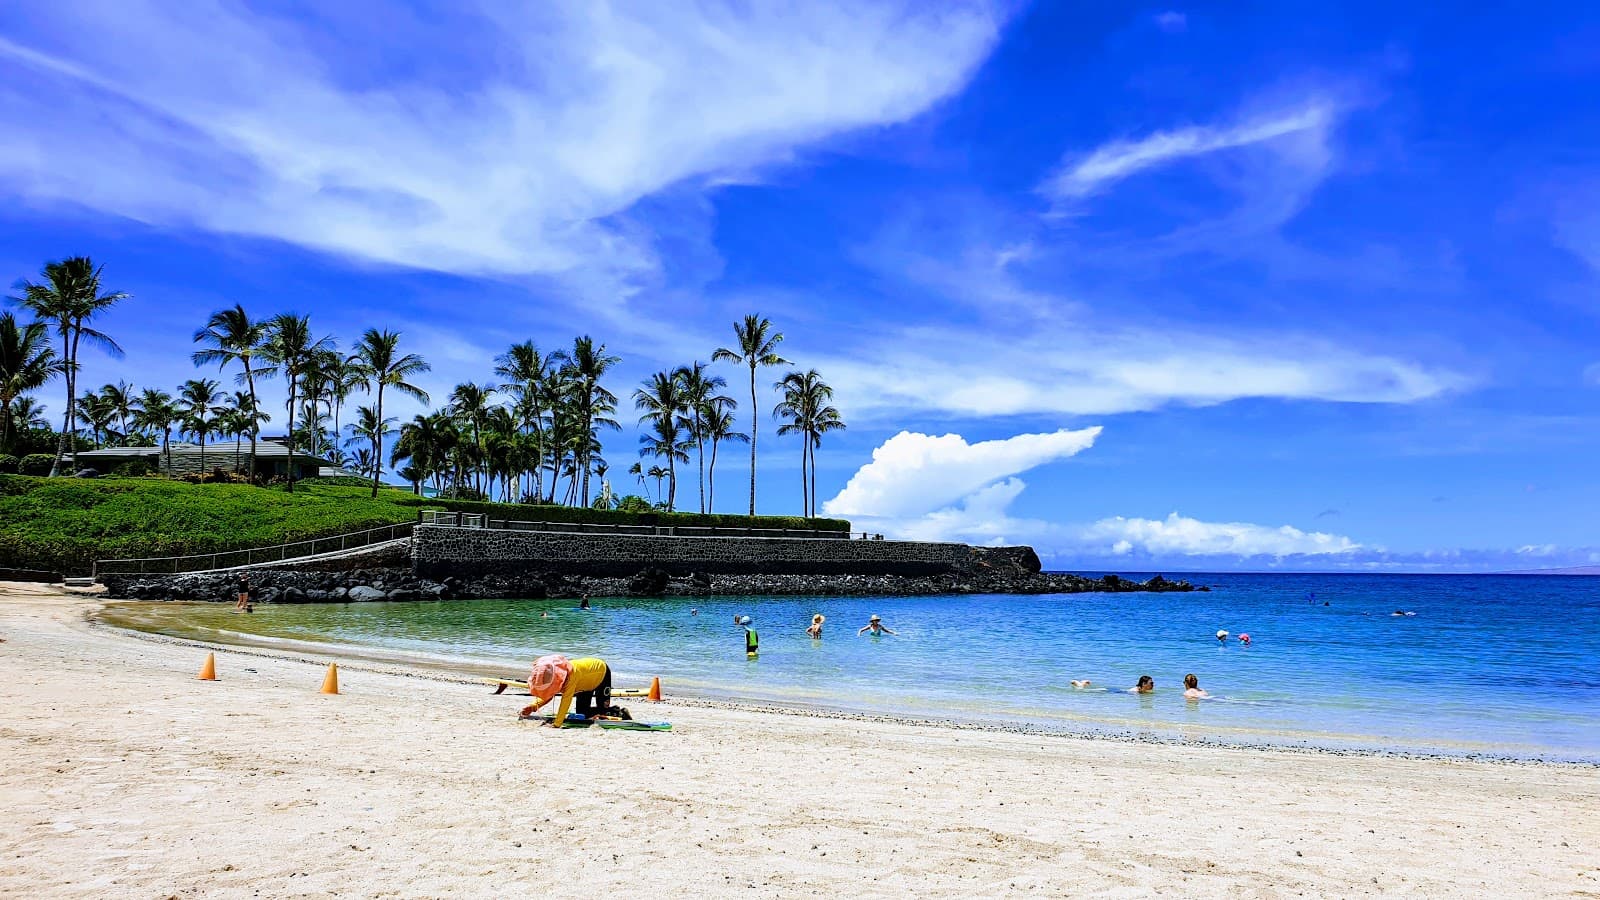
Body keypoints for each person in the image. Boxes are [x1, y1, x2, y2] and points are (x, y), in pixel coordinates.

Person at [518, 654, 613, 727]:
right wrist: (533, 707)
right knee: (582, 712)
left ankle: (618, 711)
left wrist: (557, 724)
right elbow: (549, 694)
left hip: (602, 673)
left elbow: (566, 701)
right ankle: (597, 712)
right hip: (584, 684)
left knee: (603, 711)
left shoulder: (571, 677)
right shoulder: (558, 676)